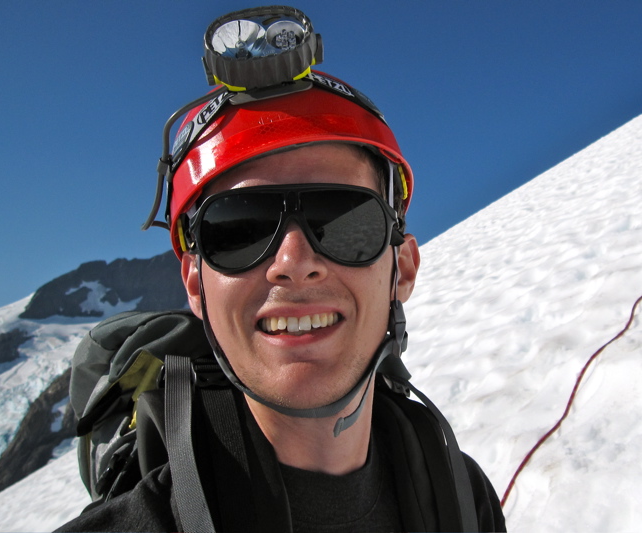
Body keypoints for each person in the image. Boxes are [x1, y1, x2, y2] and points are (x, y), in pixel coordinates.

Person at [58, 6, 504, 532]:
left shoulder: (462, 497)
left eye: (343, 221)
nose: (293, 263)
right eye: (237, 232)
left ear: (402, 269)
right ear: (196, 285)